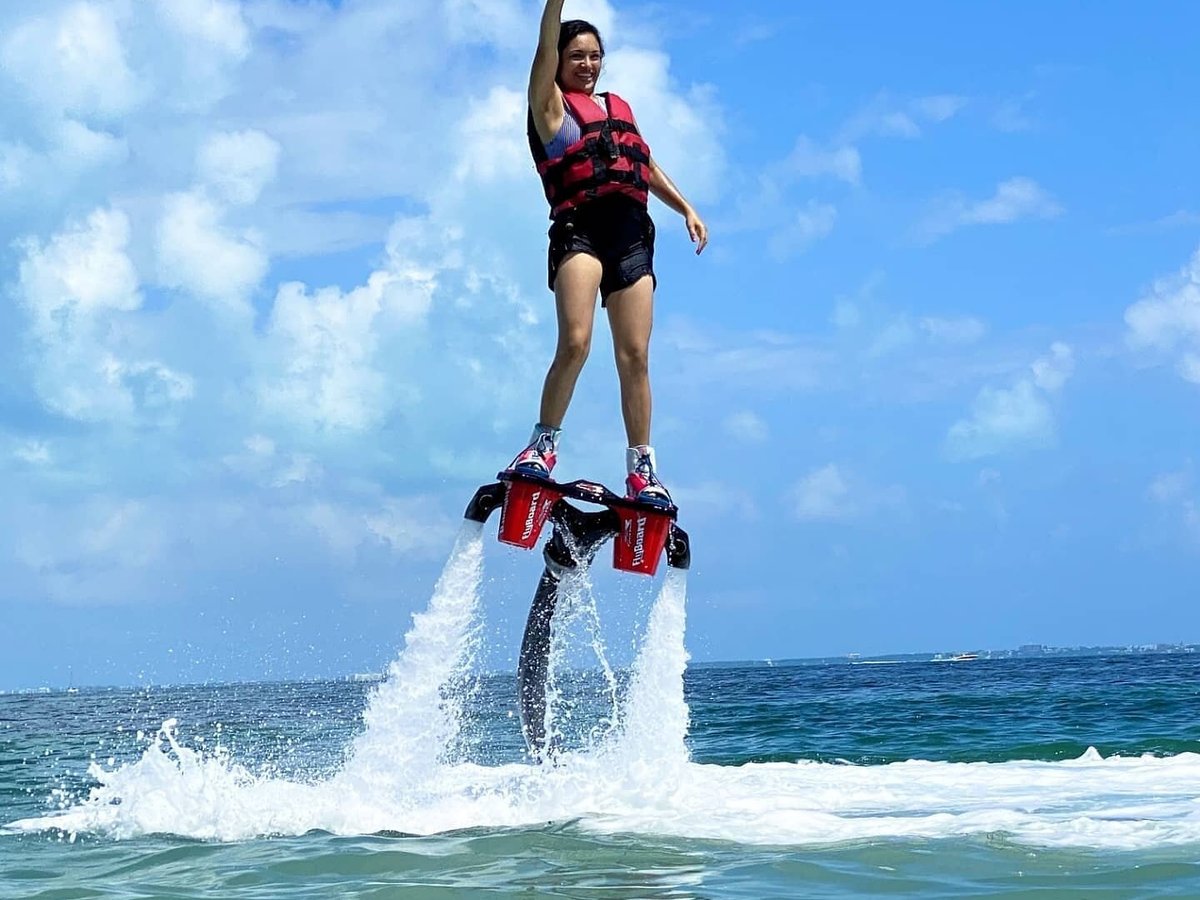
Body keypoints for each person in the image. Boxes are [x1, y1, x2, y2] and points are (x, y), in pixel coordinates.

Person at [507, 0, 708, 509]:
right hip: (581, 231)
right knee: (575, 343)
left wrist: (685, 206)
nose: (588, 65)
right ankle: (541, 446)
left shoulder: (619, 107)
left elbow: (644, 162)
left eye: (595, 56)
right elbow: (543, 45)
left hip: (631, 236)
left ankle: (642, 470)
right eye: (576, 56)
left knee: (635, 356)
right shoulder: (550, 109)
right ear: (558, 60)